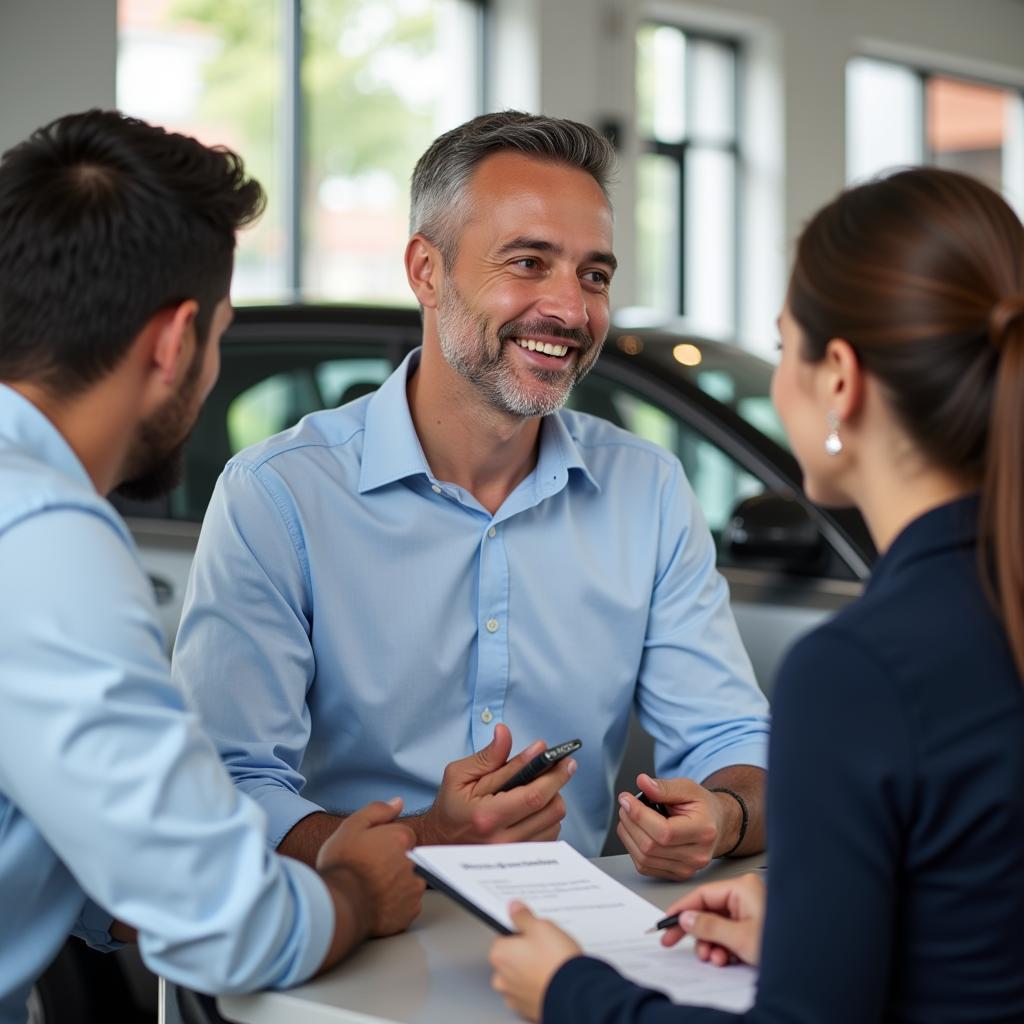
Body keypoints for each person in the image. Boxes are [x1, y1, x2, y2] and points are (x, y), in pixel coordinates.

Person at [488, 166, 1024, 1023]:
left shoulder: (860, 672)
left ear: (839, 379)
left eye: (784, 350)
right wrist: (817, 935)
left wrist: (570, 993)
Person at [172, 110, 770, 873]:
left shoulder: (646, 491)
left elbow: (732, 740)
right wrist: (427, 840)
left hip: (568, 953)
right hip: (346, 945)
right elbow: (225, 787)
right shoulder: (280, 496)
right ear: (426, 270)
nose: (570, 309)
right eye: (527, 262)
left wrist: (724, 814)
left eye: (594, 274)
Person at [0, 110, 425, 1024]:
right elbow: (229, 929)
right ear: (173, 341)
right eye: (220, 336)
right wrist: (352, 888)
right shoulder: (39, 533)